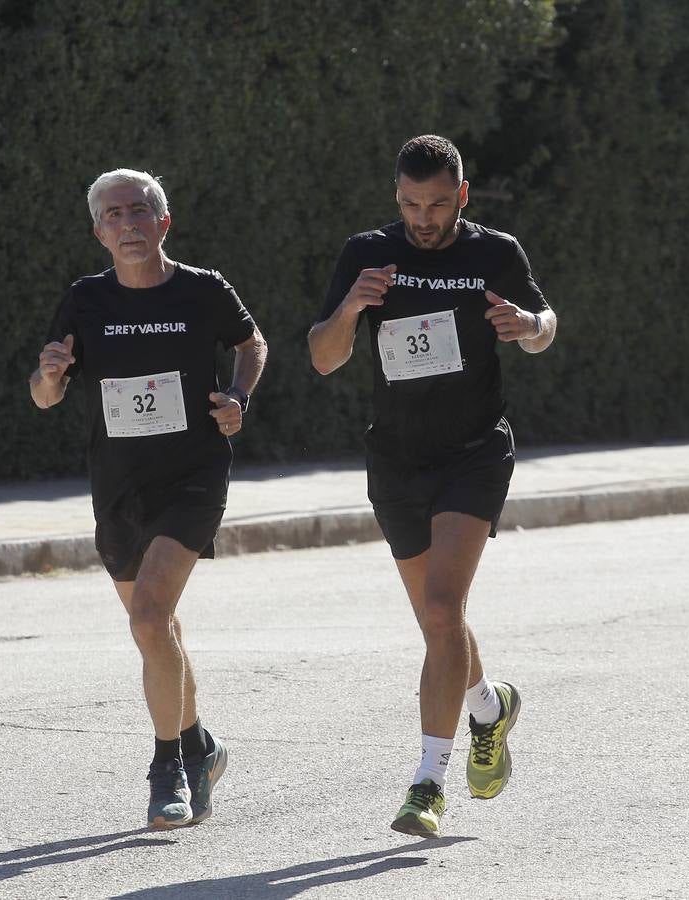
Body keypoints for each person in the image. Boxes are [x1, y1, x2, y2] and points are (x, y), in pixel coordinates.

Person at [307, 135, 557, 837]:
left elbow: (545, 325)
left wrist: (527, 325)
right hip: (396, 460)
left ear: (462, 196)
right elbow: (323, 358)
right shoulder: (367, 253)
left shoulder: (494, 252)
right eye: (412, 204)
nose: (424, 218)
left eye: (439, 204)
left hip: (474, 455)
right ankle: (489, 708)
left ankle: (427, 784)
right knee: (438, 622)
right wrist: (352, 308)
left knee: (444, 607)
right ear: (397, 197)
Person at [30, 168, 267, 829]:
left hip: (193, 475)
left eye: (139, 211)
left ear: (164, 223)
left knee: (148, 618)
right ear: (98, 232)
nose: (127, 223)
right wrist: (49, 377)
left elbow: (252, 343)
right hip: (119, 484)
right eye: (113, 215)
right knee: (157, 630)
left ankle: (168, 770)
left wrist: (238, 395)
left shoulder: (203, 289)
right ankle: (201, 747)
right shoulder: (85, 300)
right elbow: (46, 394)